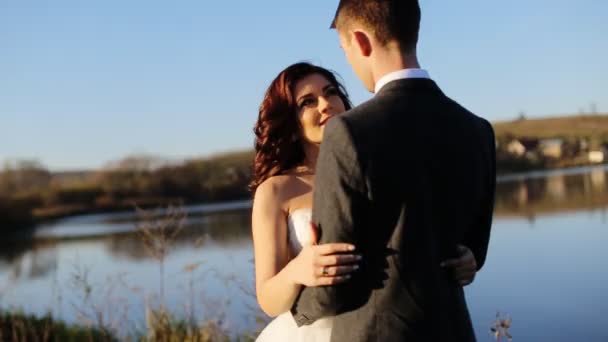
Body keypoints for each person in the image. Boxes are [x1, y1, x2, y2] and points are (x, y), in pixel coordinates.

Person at [289, 1, 497, 341]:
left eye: (345, 50)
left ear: (360, 41)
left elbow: (334, 276)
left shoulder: (348, 132)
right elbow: (473, 253)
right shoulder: (477, 130)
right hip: (455, 330)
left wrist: (296, 311)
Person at [251, 62, 481, 341]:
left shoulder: (381, 166)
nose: (325, 104)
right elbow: (268, 299)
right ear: (291, 121)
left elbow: (414, 233)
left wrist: (463, 256)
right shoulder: (276, 191)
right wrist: (297, 271)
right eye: (307, 102)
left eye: (331, 92)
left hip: (387, 327)